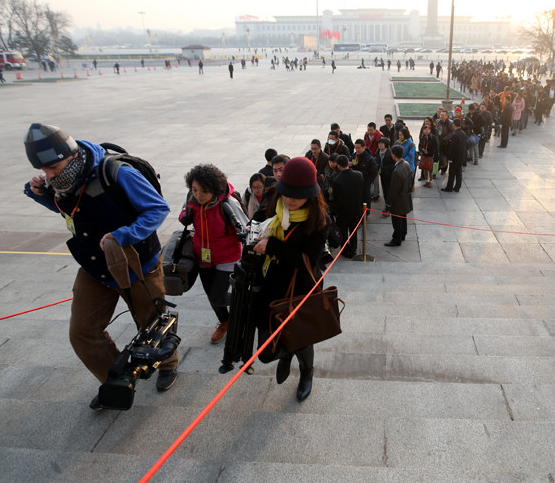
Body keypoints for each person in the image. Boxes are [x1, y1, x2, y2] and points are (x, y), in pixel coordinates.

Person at [22, 123, 176, 409]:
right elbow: (72, 211)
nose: (49, 175)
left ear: (71, 156)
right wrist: (42, 195)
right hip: (95, 267)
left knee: (151, 322)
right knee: (82, 332)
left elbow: (158, 208)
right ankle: (117, 380)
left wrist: (123, 234)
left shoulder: (117, 173)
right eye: (44, 171)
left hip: (136, 263)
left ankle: (167, 364)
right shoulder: (64, 180)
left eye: (53, 168)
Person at [252, 157, 330, 402]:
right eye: (287, 193)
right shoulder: (275, 203)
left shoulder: (319, 220)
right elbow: (257, 219)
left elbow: (308, 259)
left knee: (301, 336)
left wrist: (273, 245)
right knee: (266, 350)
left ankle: (307, 371)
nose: (290, 199)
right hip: (270, 285)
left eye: (298, 195)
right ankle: (285, 354)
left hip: (300, 288)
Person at [179, 164, 241, 345]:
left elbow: (244, 226)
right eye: (195, 189)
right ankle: (225, 322)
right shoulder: (192, 199)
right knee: (211, 296)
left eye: (203, 192)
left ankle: (243, 303)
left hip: (226, 257)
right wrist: (185, 214)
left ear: (215, 189)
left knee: (218, 295)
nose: (198, 195)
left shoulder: (227, 203)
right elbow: (184, 211)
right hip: (202, 255)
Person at [331, 155, 364, 258]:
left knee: (344, 232)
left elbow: (337, 199)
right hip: (356, 209)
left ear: (338, 165)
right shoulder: (359, 175)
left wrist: (336, 212)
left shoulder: (337, 180)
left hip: (343, 212)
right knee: (353, 231)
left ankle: (345, 251)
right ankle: (353, 250)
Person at [385, 145, 413, 247]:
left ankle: (396, 239)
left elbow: (393, 189)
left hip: (398, 199)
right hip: (405, 196)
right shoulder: (406, 164)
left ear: (393, 155)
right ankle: (402, 234)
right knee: (403, 217)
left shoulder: (397, 171)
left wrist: (388, 203)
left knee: (396, 220)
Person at [441, 118, 467, 192]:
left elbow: (453, 148)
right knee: (458, 173)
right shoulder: (463, 133)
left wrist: (450, 158)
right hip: (461, 156)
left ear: (454, 125)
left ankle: (449, 187)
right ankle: (457, 187)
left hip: (455, 157)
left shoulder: (455, 135)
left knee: (452, 173)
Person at [351, 139, 378, 205]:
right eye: (355, 148)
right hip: (355, 184)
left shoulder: (369, 159)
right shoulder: (354, 155)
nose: (356, 150)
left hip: (365, 185)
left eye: (358, 148)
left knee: (365, 202)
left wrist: (367, 184)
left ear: (364, 147)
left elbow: (374, 173)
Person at [417, 121, 439, 187]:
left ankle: (430, 181)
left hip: (431, 155)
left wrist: (436, 156)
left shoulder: (433, 138)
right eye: (425, 129)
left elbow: (436, 147)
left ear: (430, 130)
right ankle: (426, 180)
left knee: (430, 169)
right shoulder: (422, 137)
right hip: (424, 155)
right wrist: (421, 150)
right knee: (425, 168)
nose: (426, 131)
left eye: (427, 129)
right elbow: (420, 146)